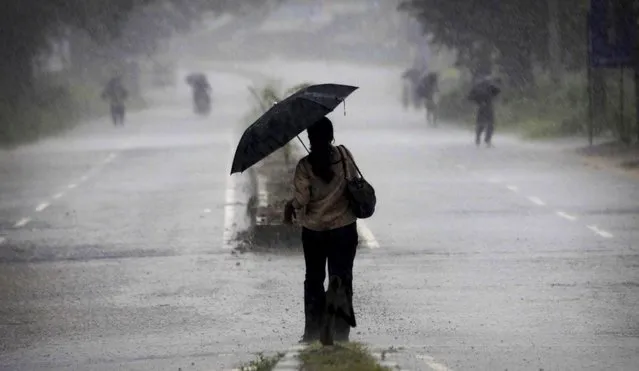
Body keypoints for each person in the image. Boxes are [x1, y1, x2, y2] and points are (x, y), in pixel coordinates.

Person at [283, 117, 359, 344]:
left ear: (310, 139)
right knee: (341, 279)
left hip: (314, 231)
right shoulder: (344, 156)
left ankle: (313, 332)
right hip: (344, 229)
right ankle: (340, 332)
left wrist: (290, 206)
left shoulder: (305, 166)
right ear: (331, 136)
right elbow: (353, 181)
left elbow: (302, 198)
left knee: (314, 279)